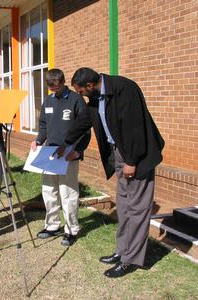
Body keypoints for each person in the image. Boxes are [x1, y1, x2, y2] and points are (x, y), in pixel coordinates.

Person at [56, 67, 165, 277]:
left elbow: (136, 128)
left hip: (137, 156)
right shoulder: (97, 98)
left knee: (137, 209)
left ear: (90, 85)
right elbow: (84, 122)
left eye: (81, 91)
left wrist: (132, 161)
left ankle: (130, 260)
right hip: (120, 154)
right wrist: (67, 143)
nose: (80, 95)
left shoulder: (125, 89)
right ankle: (122, 251)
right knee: (124, 206)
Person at [30, 69, 91, 246]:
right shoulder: (48, 101)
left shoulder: (76, 100)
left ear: (63, 82)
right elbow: (43, 125)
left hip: (68, 154)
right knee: (48, 191)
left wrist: (78, 151)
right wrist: (38, 141)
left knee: (68, 193)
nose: (54, 92)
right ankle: (52, 225)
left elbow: (86, 129)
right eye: (51, 89)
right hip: (50, 154)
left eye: (56, 88)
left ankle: (72, 229)